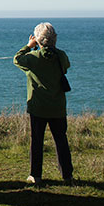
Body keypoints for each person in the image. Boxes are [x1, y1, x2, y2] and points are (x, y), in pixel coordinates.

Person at [13, 21, 72, 185]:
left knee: (36, 141)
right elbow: (66, 67)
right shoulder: (61, 56)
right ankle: (67, 175)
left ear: (38, 40)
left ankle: (35, 175)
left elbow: (17, 60)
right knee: (61, 140)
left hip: (38, 106)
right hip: (58, 106)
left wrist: (28, 46)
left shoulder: (33, 58)